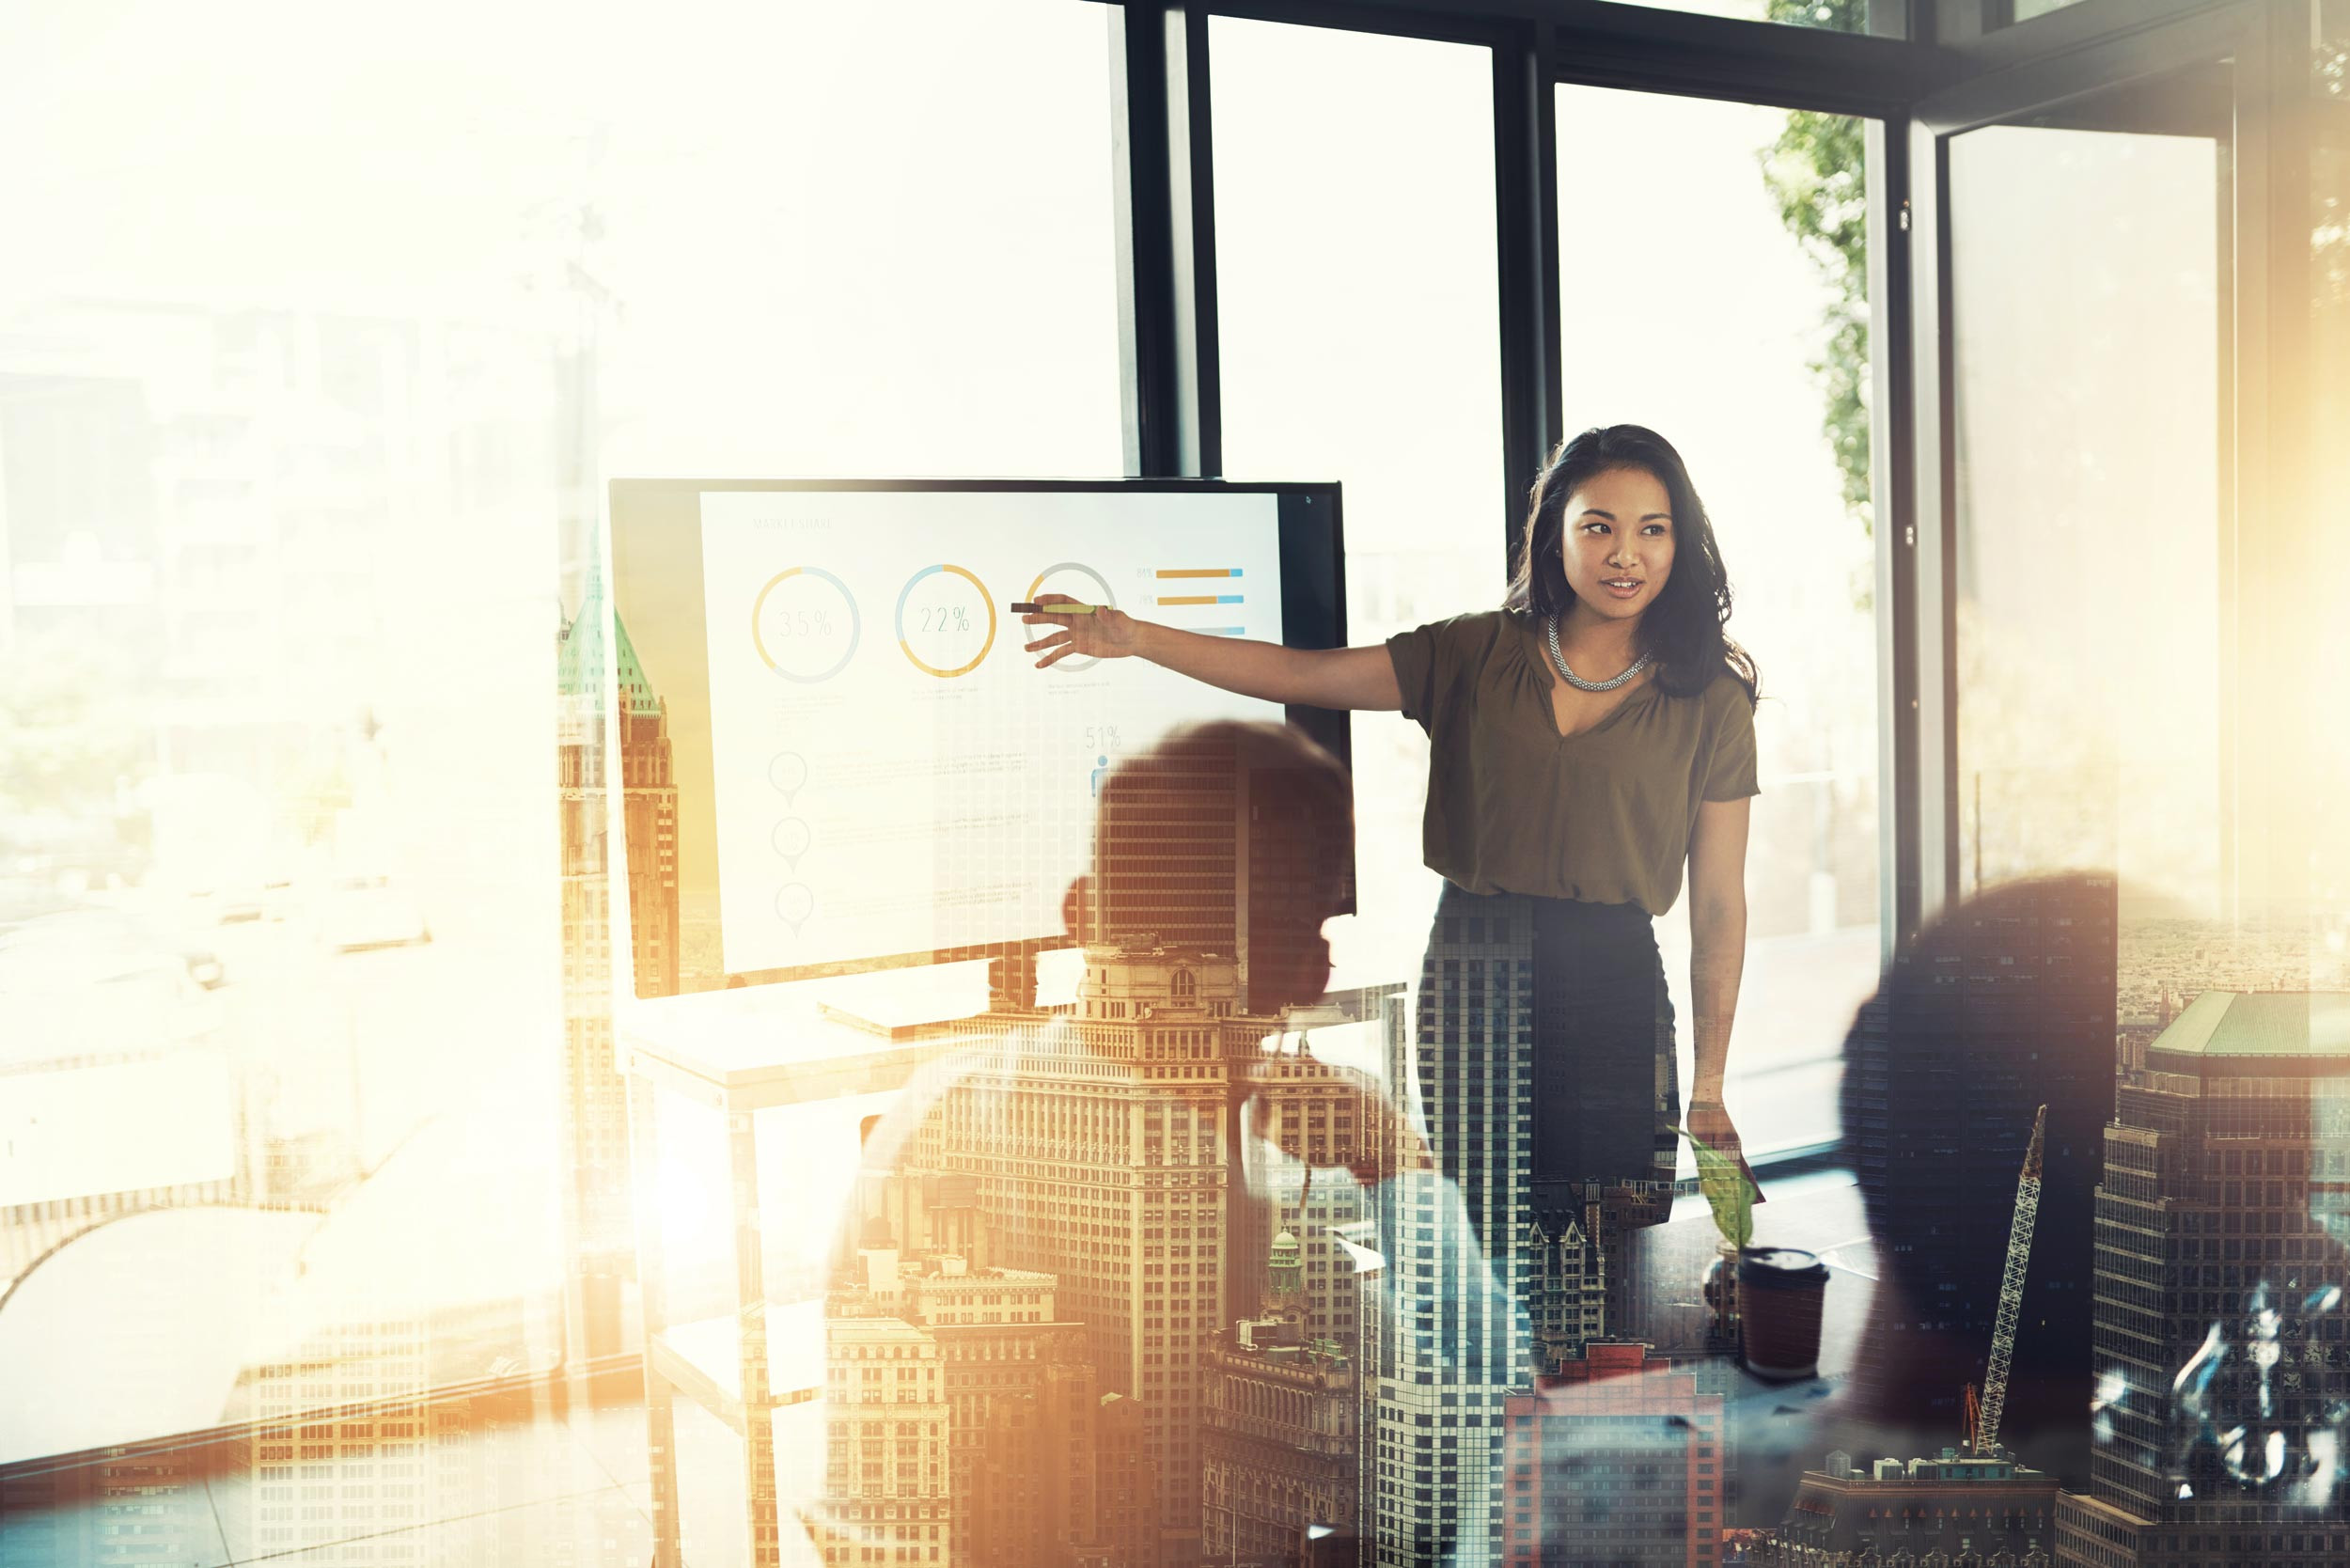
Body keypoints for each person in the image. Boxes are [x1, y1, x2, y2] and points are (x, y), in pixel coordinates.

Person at [1024, 425, 1764, 1360]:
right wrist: (1132, 638)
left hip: (1612, 977)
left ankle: (1585, 1451)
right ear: (1555, 536)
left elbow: (1719, 906)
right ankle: (1481, 1443)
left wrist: (1709, 1084)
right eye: (1599, 527)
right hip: (1475, 966)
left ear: (1680, 540)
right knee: (1476, 1228)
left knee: (1596, 1250)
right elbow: (1302, 672)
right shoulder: (1471, 655)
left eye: (1652, 530)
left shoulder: (1710, 695)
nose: (1625, 555)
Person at [799, 721, 1430, 1567]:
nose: (1313, 974)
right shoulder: (941, 1122)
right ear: (1083, 918)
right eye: (1259, 935)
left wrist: (1391, 1164)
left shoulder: (1293, 1151)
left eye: (1313, 927)